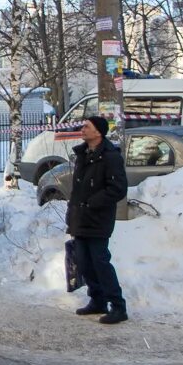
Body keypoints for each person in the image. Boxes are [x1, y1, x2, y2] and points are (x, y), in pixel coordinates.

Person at [67, 116, 129, 324]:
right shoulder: (83, 154)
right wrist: (72, 214)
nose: (82, 129)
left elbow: (118, 188)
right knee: (84, 263)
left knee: (100, 262)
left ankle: (118, 306)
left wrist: (94, 202)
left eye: (87, 127)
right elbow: (77, 190)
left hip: (98, 218)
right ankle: (98, 300)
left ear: (98, 132)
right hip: (81, 217)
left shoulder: (110, 157)